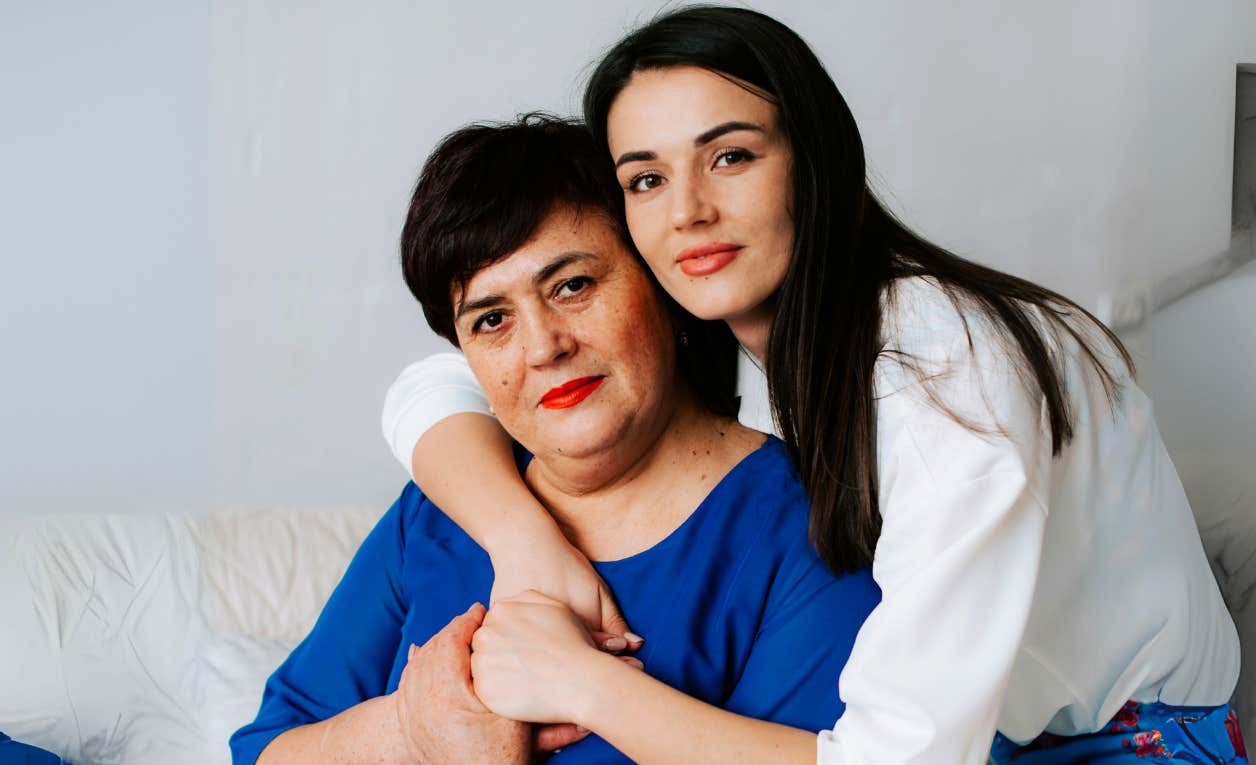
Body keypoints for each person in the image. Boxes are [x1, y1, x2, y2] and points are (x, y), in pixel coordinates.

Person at [382, 6, 1248, 764]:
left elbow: (899, 759)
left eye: (728, 156)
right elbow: (440, 384)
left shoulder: (945, 365)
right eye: (646, 179)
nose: (686, 210)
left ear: (815, 157)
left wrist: (581, 683)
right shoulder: (743, 337)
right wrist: (523, 540)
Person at [230, 115, 879, 765]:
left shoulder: (810, 527)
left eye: (573, 285)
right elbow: (264, 749)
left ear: (663, 284)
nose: (543, 346)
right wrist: (410, 729)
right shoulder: (437, 512)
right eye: (492, 319)